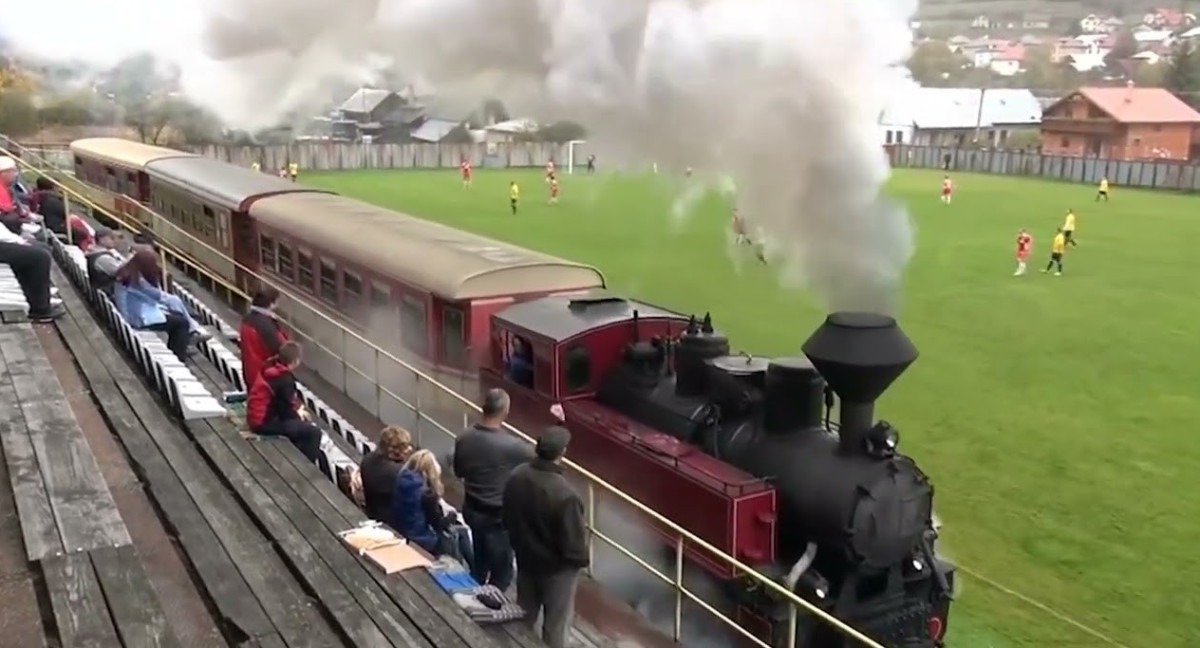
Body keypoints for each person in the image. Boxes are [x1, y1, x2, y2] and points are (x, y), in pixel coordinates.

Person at [503, 426, 588, 648]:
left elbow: (508, 515)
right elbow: (576, 549)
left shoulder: (517, 475)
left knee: (524, 615)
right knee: (555, 627)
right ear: (563, 452)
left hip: (525, 560)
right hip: (557, 571)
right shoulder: (566, 496)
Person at [452, 388, 534, 591]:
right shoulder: (513, 446)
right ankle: (489, 607)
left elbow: (459, 471)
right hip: (497, 519)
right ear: (505, 411)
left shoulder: (463, 437)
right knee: (502, 572)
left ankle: (474, 591)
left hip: (472, 509)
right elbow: (544, 458)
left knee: (480, 558)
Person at [393, 449, 474, 568]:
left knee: (460, 531)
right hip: (422, 537)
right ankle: (465, 568)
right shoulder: (427, 494)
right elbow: (438, 525)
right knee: (459, 533)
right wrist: (451, 516)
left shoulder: (402, 480)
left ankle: (472, 569)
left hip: (404, 528)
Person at [245, 341, 322, 463]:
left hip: (255, 416)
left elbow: (284, 402)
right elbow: (286, 411)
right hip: (263, 423)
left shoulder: (270, 366)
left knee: (299, 427)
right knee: (314, 433)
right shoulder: (284, 380)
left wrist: (297, 411)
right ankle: (306, 466)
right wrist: (300, 416)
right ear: (296, 361)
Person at [114, 250, 195, 359]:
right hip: (136, 318)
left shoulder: (126, 274)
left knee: (176, 318)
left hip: (130, 313)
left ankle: (183, 344)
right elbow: (158, 296)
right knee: (181, 323)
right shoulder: (138, 282)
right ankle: (178, 355)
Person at [352, 426, 415, 523]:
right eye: (405, 446)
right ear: (395, 451)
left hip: (372, 513)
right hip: (394, 523)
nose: (410, 449)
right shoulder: (398, 472)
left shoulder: (368, 459)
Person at [239, 287, 288, 390]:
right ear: (271, 303)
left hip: (250, 373)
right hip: (265, 376)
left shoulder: (247, 320)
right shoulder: (266, 325)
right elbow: (282, 349)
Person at [85, 227, 127, 296]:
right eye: (111, 238)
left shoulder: (96, 253)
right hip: (111, 293)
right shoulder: (103, 258)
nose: (114, 241)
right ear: (101, 239)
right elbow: (123, 272)